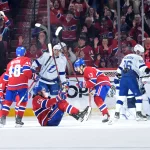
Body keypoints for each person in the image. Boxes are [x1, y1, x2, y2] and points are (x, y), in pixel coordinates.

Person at [0, 46, 37, 127]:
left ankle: (3, 119)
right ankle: (18, 120)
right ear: (24, 53)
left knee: (7, 103)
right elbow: (26, 71)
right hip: (21, 85)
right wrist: (33, 76)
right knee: (23, 102)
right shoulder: (26, 59)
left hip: (10, 86)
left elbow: (6, 78)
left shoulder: (10, 63)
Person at [113, 44, 150, 121]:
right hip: (131, 76)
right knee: (139, 96)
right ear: (138, 51)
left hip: (123, 77)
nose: (142, 55)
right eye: (141, 53)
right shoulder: (138, 57)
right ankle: (138, 114)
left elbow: (119, 70)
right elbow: (143, 68)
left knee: (121, 97)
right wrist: (148, 70)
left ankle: (116, 114)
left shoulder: (126, 57)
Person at [74, 58, 111, 122]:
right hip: (101, 84)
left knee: (97, 98)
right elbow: (91, 85)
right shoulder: (86, 74)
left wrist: (82, 84)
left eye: (77, 67)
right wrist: (91, 91)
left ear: (81, 66)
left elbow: (93, 82)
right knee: (98, 99)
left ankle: (106, 114)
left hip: (102, 83)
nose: (77, 70)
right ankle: (107, 115)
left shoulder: (87, 69)